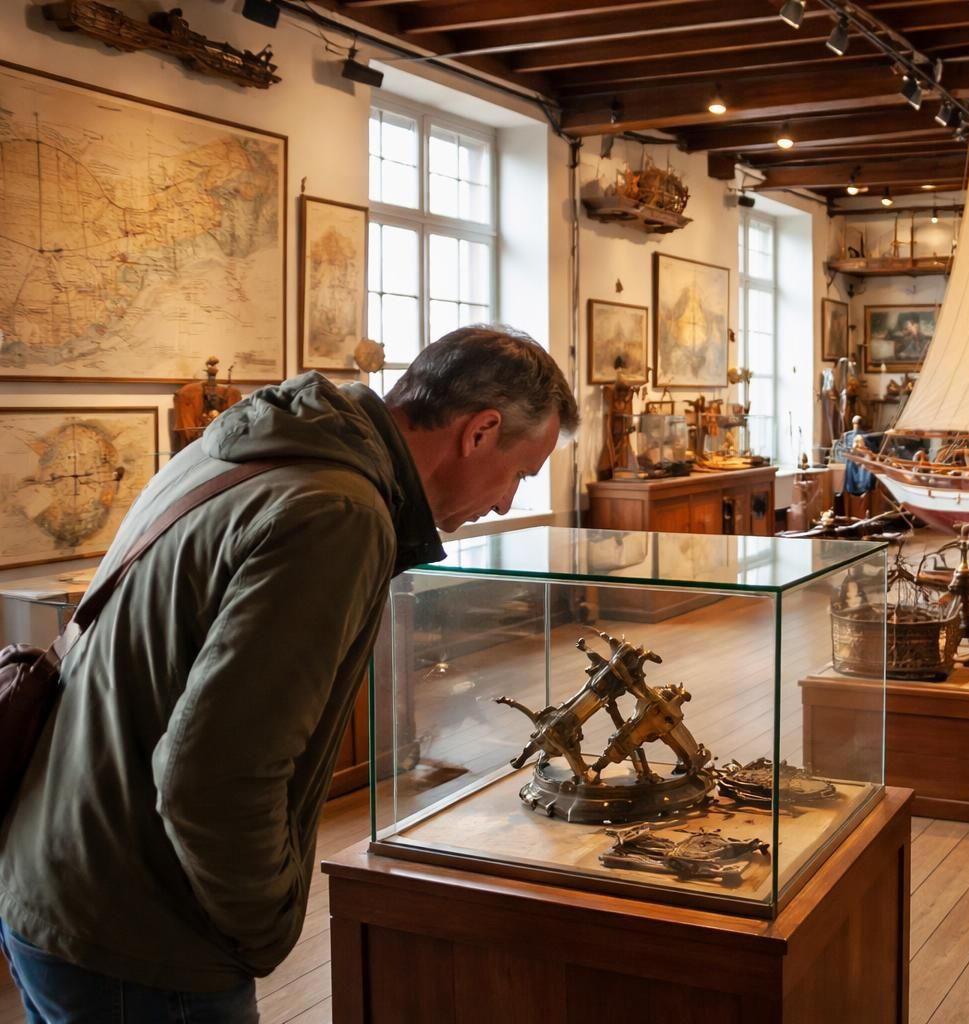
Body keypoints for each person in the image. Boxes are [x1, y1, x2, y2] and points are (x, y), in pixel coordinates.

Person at [0, 325, 578, 1022]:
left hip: (52, 875)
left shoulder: (258, 444)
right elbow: (213, 776)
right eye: (521, 474)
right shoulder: (338, 509)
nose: (508, 501)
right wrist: (265, 927)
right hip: (140, 929)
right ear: (480, 431)